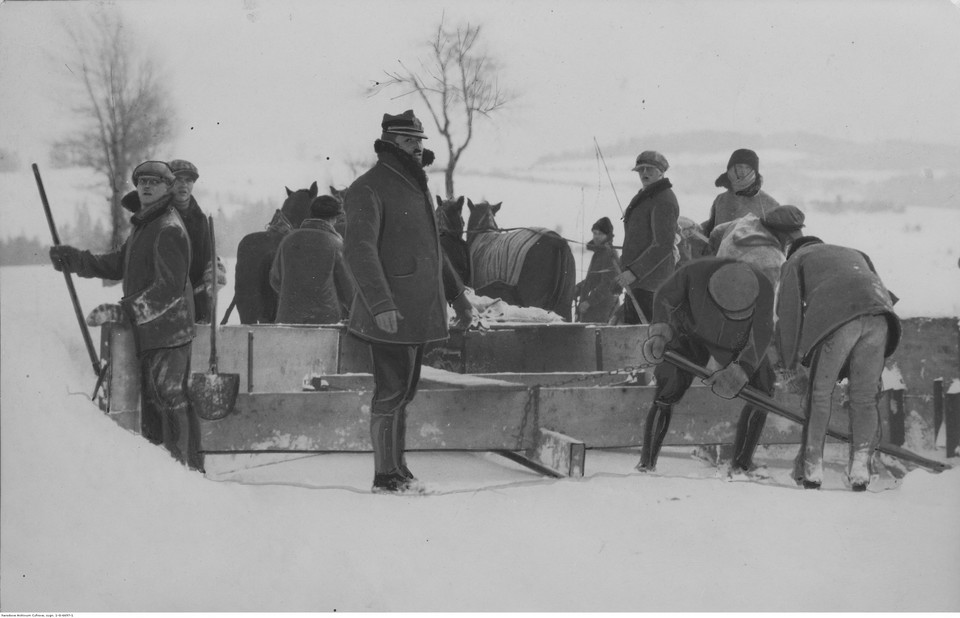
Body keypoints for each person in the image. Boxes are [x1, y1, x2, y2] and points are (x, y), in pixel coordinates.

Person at [343, 109, 474, 493]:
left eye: (419, 141)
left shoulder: (417, 186)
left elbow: (435, 252)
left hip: (417, 313)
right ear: (388, 143)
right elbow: (358, 251)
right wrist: (381, 305)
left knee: (404, 392)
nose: (417, 148)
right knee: (390, 392)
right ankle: (385, 476)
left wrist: (458, 296)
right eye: (408, 141)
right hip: (390, 314)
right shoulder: (368, 187)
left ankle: (398, 469)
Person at [49, 161, 201, 470]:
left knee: (172, 401)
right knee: (156, 408)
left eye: (155, 182)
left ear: (168, 188)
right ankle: (166, 475)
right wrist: (76, 260)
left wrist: (125, 311)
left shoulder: (168, 228)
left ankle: (187, 475)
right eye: (142, 181)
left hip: (169, 335)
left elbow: (168, 289)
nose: (146, 186)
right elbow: (118, 264)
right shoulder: (145, 226)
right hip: (151, 332)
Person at [775, 237, 901, 491]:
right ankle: (860, 470)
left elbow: (788, 315)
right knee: (864, 398)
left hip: (842, 318)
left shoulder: (795, 261)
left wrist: (788, 363)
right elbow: (879, 292)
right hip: (881, 317)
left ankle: (812, 469)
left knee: (820, 395)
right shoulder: (856, 253)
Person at [636, 259, 776, 475]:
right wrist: (659, 333)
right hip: (690, 333)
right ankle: (647, 461)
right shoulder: (692, 274)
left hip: (736, 341)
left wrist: (743, 369)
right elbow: (663, 296)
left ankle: (741, 464)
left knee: (764, 390)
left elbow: (763, 331)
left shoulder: (763, 286)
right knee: (668, 386)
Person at [270, 195, 356, 325]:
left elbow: (275, 280)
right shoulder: (335, 243)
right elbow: (347, 288)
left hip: (288, 320)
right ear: (334, 218)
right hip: (324, 321)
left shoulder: (288, 240)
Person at [615, 150, 679, 323]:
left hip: (651, 287)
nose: (644, 173)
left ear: (661, 171)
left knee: (646, 342)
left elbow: (663, 245)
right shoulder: (646, 196)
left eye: (649, 169)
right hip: (638, 284)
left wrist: (634, 272)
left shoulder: (663, 199)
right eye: (640, 169)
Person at [709, 204, 806, 287]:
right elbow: (771, 301)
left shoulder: (742, 223)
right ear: (780, 233)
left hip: (716, 284)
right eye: (789, 239)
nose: (789, 242)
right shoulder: (774, 262)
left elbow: (717, 231)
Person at [701, 148, 780, 238]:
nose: (743, 171)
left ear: (754, 171)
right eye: (739, 167)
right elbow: (710, 229)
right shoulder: (721, 199)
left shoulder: (769, 203)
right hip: (721, 251)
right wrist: (694, 228)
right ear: (731, 168)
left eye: (748, 168)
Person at [574, 216, 621, 323]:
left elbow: (607, 284)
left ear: (607, 235)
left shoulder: (610, 254)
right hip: (595, 307)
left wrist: (589, 302)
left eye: (600, 234)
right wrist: (578, 288)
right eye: (595, 233)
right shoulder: (599, 253)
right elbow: (593, 279)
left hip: (602, 309)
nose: (596, 237)